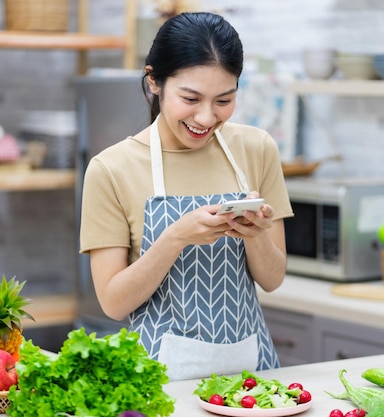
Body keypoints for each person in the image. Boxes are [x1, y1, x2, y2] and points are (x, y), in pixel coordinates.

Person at [79, 11, 293, 381]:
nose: (207, 118)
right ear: (154, 82)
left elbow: (273, 280)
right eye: (191, 98)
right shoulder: (111, 168)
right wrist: (176, 237)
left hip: (250, 378)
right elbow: (113, 302)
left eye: (224, 100)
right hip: (157, 382)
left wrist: (256, 235)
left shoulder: (257, 148)